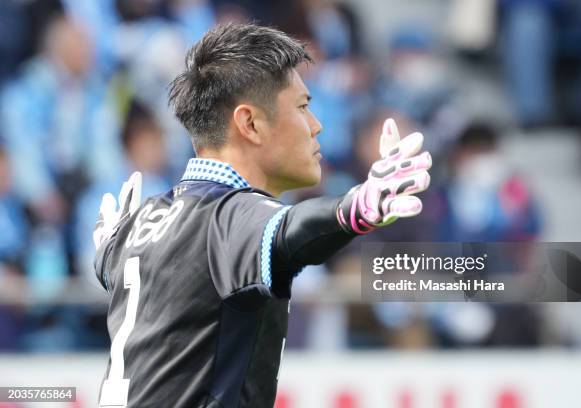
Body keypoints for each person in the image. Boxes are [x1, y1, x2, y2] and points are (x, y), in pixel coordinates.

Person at [92, 23, 432, 408]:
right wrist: (355, 208)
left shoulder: (138, 223)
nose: (316, 125)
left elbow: (112, 264)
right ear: (250, 123)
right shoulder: (229, 214)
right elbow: (287, 231)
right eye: (303, 107)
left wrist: (107, 254)